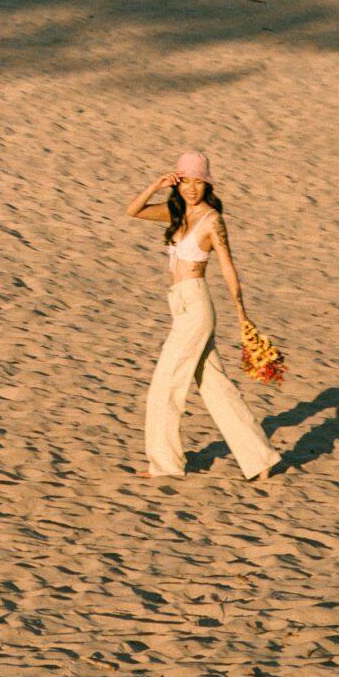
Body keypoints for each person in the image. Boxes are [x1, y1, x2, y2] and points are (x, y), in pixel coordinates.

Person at [126, 150, 281, 482]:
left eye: (198, 182)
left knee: (164, 386)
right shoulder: (176, 212)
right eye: (185, 182)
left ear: (207, 185)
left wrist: (241, 312)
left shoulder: (212, 220)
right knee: (215, 387)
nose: (192, 189)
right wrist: (157, 184)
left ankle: (165, 465)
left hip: (196, 306)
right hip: (179, 304)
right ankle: (260, 458)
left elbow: (227, 267)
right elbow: (133, 210)